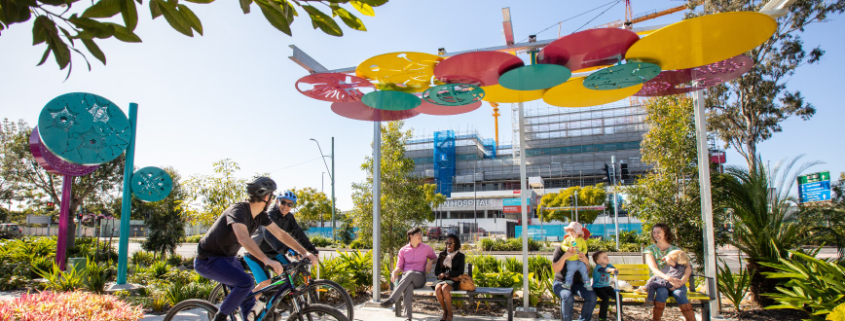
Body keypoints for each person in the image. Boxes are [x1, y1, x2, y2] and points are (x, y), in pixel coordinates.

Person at [193, 177, 319, 321]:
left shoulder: (260, 215)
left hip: (228, 258)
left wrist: (305, 252)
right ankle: (220, 318)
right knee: (246, 283)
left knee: (247, 298)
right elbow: (243, 238)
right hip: (208, 259)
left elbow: (280, 234)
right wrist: (267, 260)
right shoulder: (239, 210)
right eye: (272, 197)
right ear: (266, 196)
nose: (273, 200)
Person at [244, 190, 319, 290]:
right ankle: (246, 304)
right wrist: (287, 249)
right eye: (283, 202)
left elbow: (299, 234)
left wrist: (311, 250)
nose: (286, 206)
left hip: (274, 252)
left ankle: (275, 297)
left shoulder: (289, 218)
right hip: (256, 253)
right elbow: (269, 236)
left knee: (291, 271)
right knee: (265, 283)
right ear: (277, 201)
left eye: (290, 204)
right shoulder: (269, 215)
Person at [380, 227, 437, 321]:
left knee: (409, 274)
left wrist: (430, 262)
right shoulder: (403, 250)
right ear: (411, 236)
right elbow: (399, 266)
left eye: (421, 234)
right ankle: (408, 317)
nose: (420, 236)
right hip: (406, 278)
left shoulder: (426, 248)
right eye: (418, 234)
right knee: (408, 287)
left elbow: (435, 258)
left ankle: (392, 299)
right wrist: (394, 271)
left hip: (420, 278)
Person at [644, 223, 695, 321]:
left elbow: (688, 267)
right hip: (661, 283)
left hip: (677, 283)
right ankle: (656, 319)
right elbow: (654, 269)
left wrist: (683, 280)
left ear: (666, 233)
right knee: (662, 293)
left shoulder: (676, 250)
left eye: (659, 232)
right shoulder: (650, 250)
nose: (656, 235)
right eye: (654, 233)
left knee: (679, 294)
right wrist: (670, 279)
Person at [552, 243, 597, 321]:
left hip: (578, 283)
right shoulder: (560, 249)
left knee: (592, 296)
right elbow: (555, 269)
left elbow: (587, 271)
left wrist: (586, 262)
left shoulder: (583, 249)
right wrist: (564, 257)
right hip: (560, 282)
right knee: (567, 296)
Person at [432, 234, 465, 321]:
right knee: (437, 289)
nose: (448, 245)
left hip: (453, 279)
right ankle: (445, 312)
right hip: (442, 279)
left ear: (456, 244)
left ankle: (450, 313)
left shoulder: (460, 256)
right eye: (447, 243)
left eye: (451, 243)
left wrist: (448, 274)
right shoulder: (442, 254)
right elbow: (436, 271)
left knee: (445, 289)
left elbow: (460, 271)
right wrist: (440, 274)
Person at [561, 222, 592, 291]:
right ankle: (568, 283)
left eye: (572, 230)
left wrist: (583, 253)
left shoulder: (581, 240)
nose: (571, 232)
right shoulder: (568, 239)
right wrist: (568, 248)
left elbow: (585, 248)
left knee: (584, 272)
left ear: (577, 231)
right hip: (571, 260)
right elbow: (563, 245)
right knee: (570, 272)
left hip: (580, 260)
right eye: (570, 230)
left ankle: (587, 283)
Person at [592, 251, 618, 321]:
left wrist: (614, 269)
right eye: (604, 258)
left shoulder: (608, 264)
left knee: (618, 296)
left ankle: (619, 313)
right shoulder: (598, 268)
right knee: (605, 298)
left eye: (607, 257)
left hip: (606, 286)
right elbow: (604, 270)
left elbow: (612, 268)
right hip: (598, 288)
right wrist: (611, 270)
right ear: (599, 261)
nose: (607, 259)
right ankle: (602, 317)